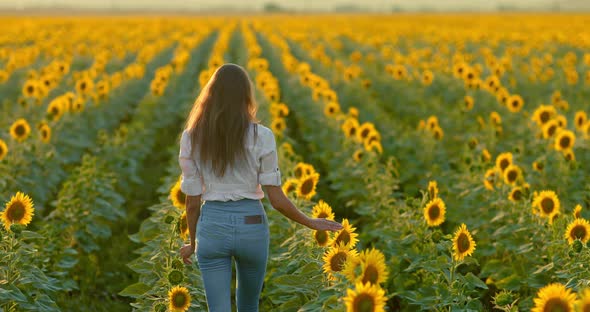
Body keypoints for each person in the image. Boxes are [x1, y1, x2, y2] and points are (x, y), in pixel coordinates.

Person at [177, 63, 343, 312]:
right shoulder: (262, 136)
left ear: (210, 95)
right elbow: (276, 199)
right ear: (246, 96)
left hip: (212, 227)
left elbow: (191, 202)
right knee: (249, 306)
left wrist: (192, 242)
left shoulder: (192, 137)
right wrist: (310, 221)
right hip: (252, 226)